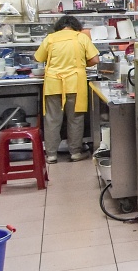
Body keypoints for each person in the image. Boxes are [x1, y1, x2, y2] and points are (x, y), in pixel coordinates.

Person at [34, 15, 100, 163]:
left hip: (53, 83)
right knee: (75, 119)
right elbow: (95, 59)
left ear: (59, 27)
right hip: (75, 83)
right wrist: (82, 64)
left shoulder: (50, 38)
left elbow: (38, 58)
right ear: (75, 26)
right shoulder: (81, 37)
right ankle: (75, 153)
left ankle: (51, 155)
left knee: (52, 119)